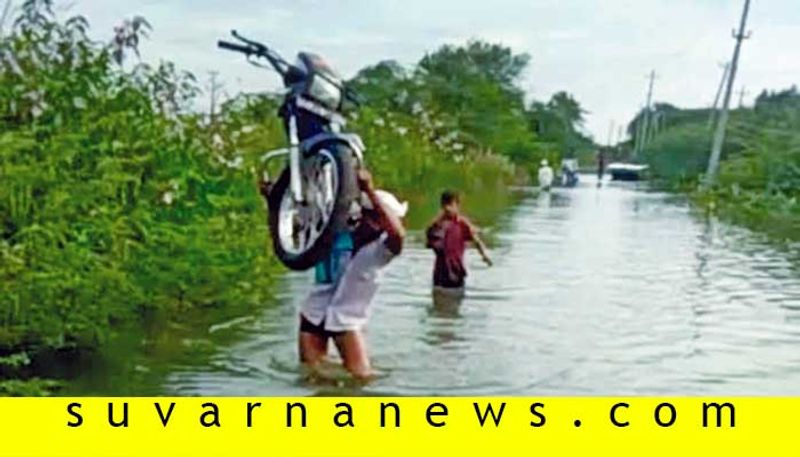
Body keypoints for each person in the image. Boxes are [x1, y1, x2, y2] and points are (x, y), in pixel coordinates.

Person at [259, 168, 407, 380]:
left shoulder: (381, 250)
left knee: (361, 380)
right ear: (370, 217)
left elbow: (398, 235)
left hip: (345, 320)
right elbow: (288, 235)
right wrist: (274, 202)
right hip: (315, 313)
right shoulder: (338, 235)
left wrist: (369, 189)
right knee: (311, 378)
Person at [426, 191, 492, 302]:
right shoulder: (437, 225)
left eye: (451, 205)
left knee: (456, 304)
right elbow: (429, 240)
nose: (448, 208)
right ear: (442, 206)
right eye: (445, 205)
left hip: (457, 273)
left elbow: (476, 241)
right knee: (438, 303)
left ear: (457, 205)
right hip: (440, 274)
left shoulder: (462, 224)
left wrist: (484, 256)